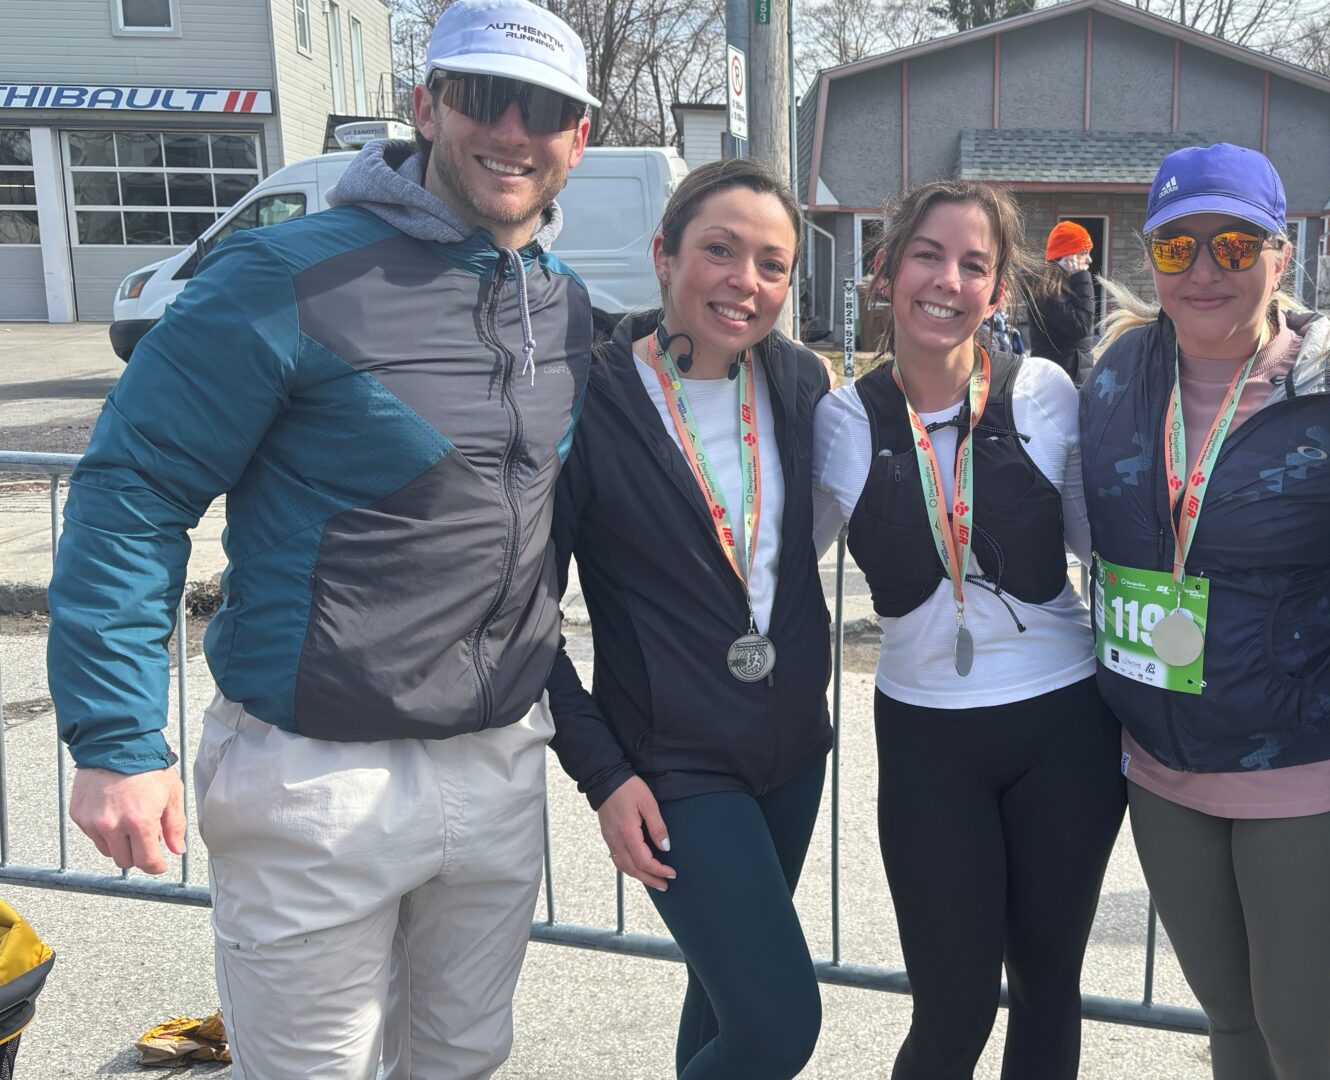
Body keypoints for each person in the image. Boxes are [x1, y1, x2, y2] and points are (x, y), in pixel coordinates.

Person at [44, 2, 600, 1074]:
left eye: (548, 111)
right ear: (427, 104)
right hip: (315, 775)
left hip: (493, 765)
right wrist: (117, 739)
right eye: (487, 97)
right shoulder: (280, 276)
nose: (515, 131)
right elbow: (133, 491)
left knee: (464, 1061)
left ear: (579, 136)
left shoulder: (563, 306)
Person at [1080, 143, 1330, 1080]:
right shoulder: (1111, 376)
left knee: (1302, 1037)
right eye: (1177, 250)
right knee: (1230, 1026)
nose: (1206, 271)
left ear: (1281, 254)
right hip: (1165, 761)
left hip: (1310, 757)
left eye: (1233, 244)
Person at [813, 180, 1127, 1080]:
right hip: (926, 736)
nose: (947, 280)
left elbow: (1101, 545)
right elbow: (773, 572)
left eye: (974, 264)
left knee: (1045, 986)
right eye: (927, 255)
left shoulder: (1045, 393)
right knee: (951, 1011)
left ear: (998, 290)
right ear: (885, 270)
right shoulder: (842, 418)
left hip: (1062, 723)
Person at [543, 158, 832, 1079]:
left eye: (772, 264)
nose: (745, 281)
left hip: (790, 751)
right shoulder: (587, 400)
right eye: (720, 250)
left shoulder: (798, 385)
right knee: (779, 1028)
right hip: (673, 767)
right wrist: (602, 774)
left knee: (723, 1004)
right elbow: (521, 619)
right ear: (664, 256)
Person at [1029, 221, 1098, 383]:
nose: (1089, 260)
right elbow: (1081, 325)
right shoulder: (1049, 290)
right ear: (1069, 256)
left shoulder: (1066, 286)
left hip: (1071, 376)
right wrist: (1082, 276)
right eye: (1084, 253)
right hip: (1061, 381)